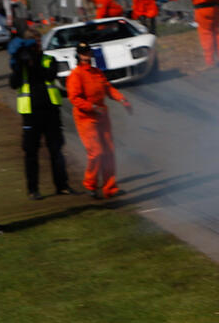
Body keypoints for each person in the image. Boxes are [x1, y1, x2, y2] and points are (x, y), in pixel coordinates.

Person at [10, 32, 73, 200]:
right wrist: (19, 64)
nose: (35, 46)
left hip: (51, 112)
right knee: (31, 152)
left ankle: (62, 186)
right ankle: (33, 189)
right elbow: (13, 83)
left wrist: (33, 61)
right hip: (30, 114)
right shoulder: (20, 63)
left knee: (56, 150)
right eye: (32, 43)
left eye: (37, 42)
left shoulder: (48, 59)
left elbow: (49, 75)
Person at [66, 41, 132, 199]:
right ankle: (90, 184)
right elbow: (74, 98)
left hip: (102, 115)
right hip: (86, 118)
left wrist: (122, 100)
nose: (86, 56)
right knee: (96, 152)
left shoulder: (97, 72)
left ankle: (110, 188)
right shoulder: (76, 75)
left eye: (88, 52)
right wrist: (91, 107)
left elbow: (108, 88)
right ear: (78, 55)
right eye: (83, 53)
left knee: (108, 152)